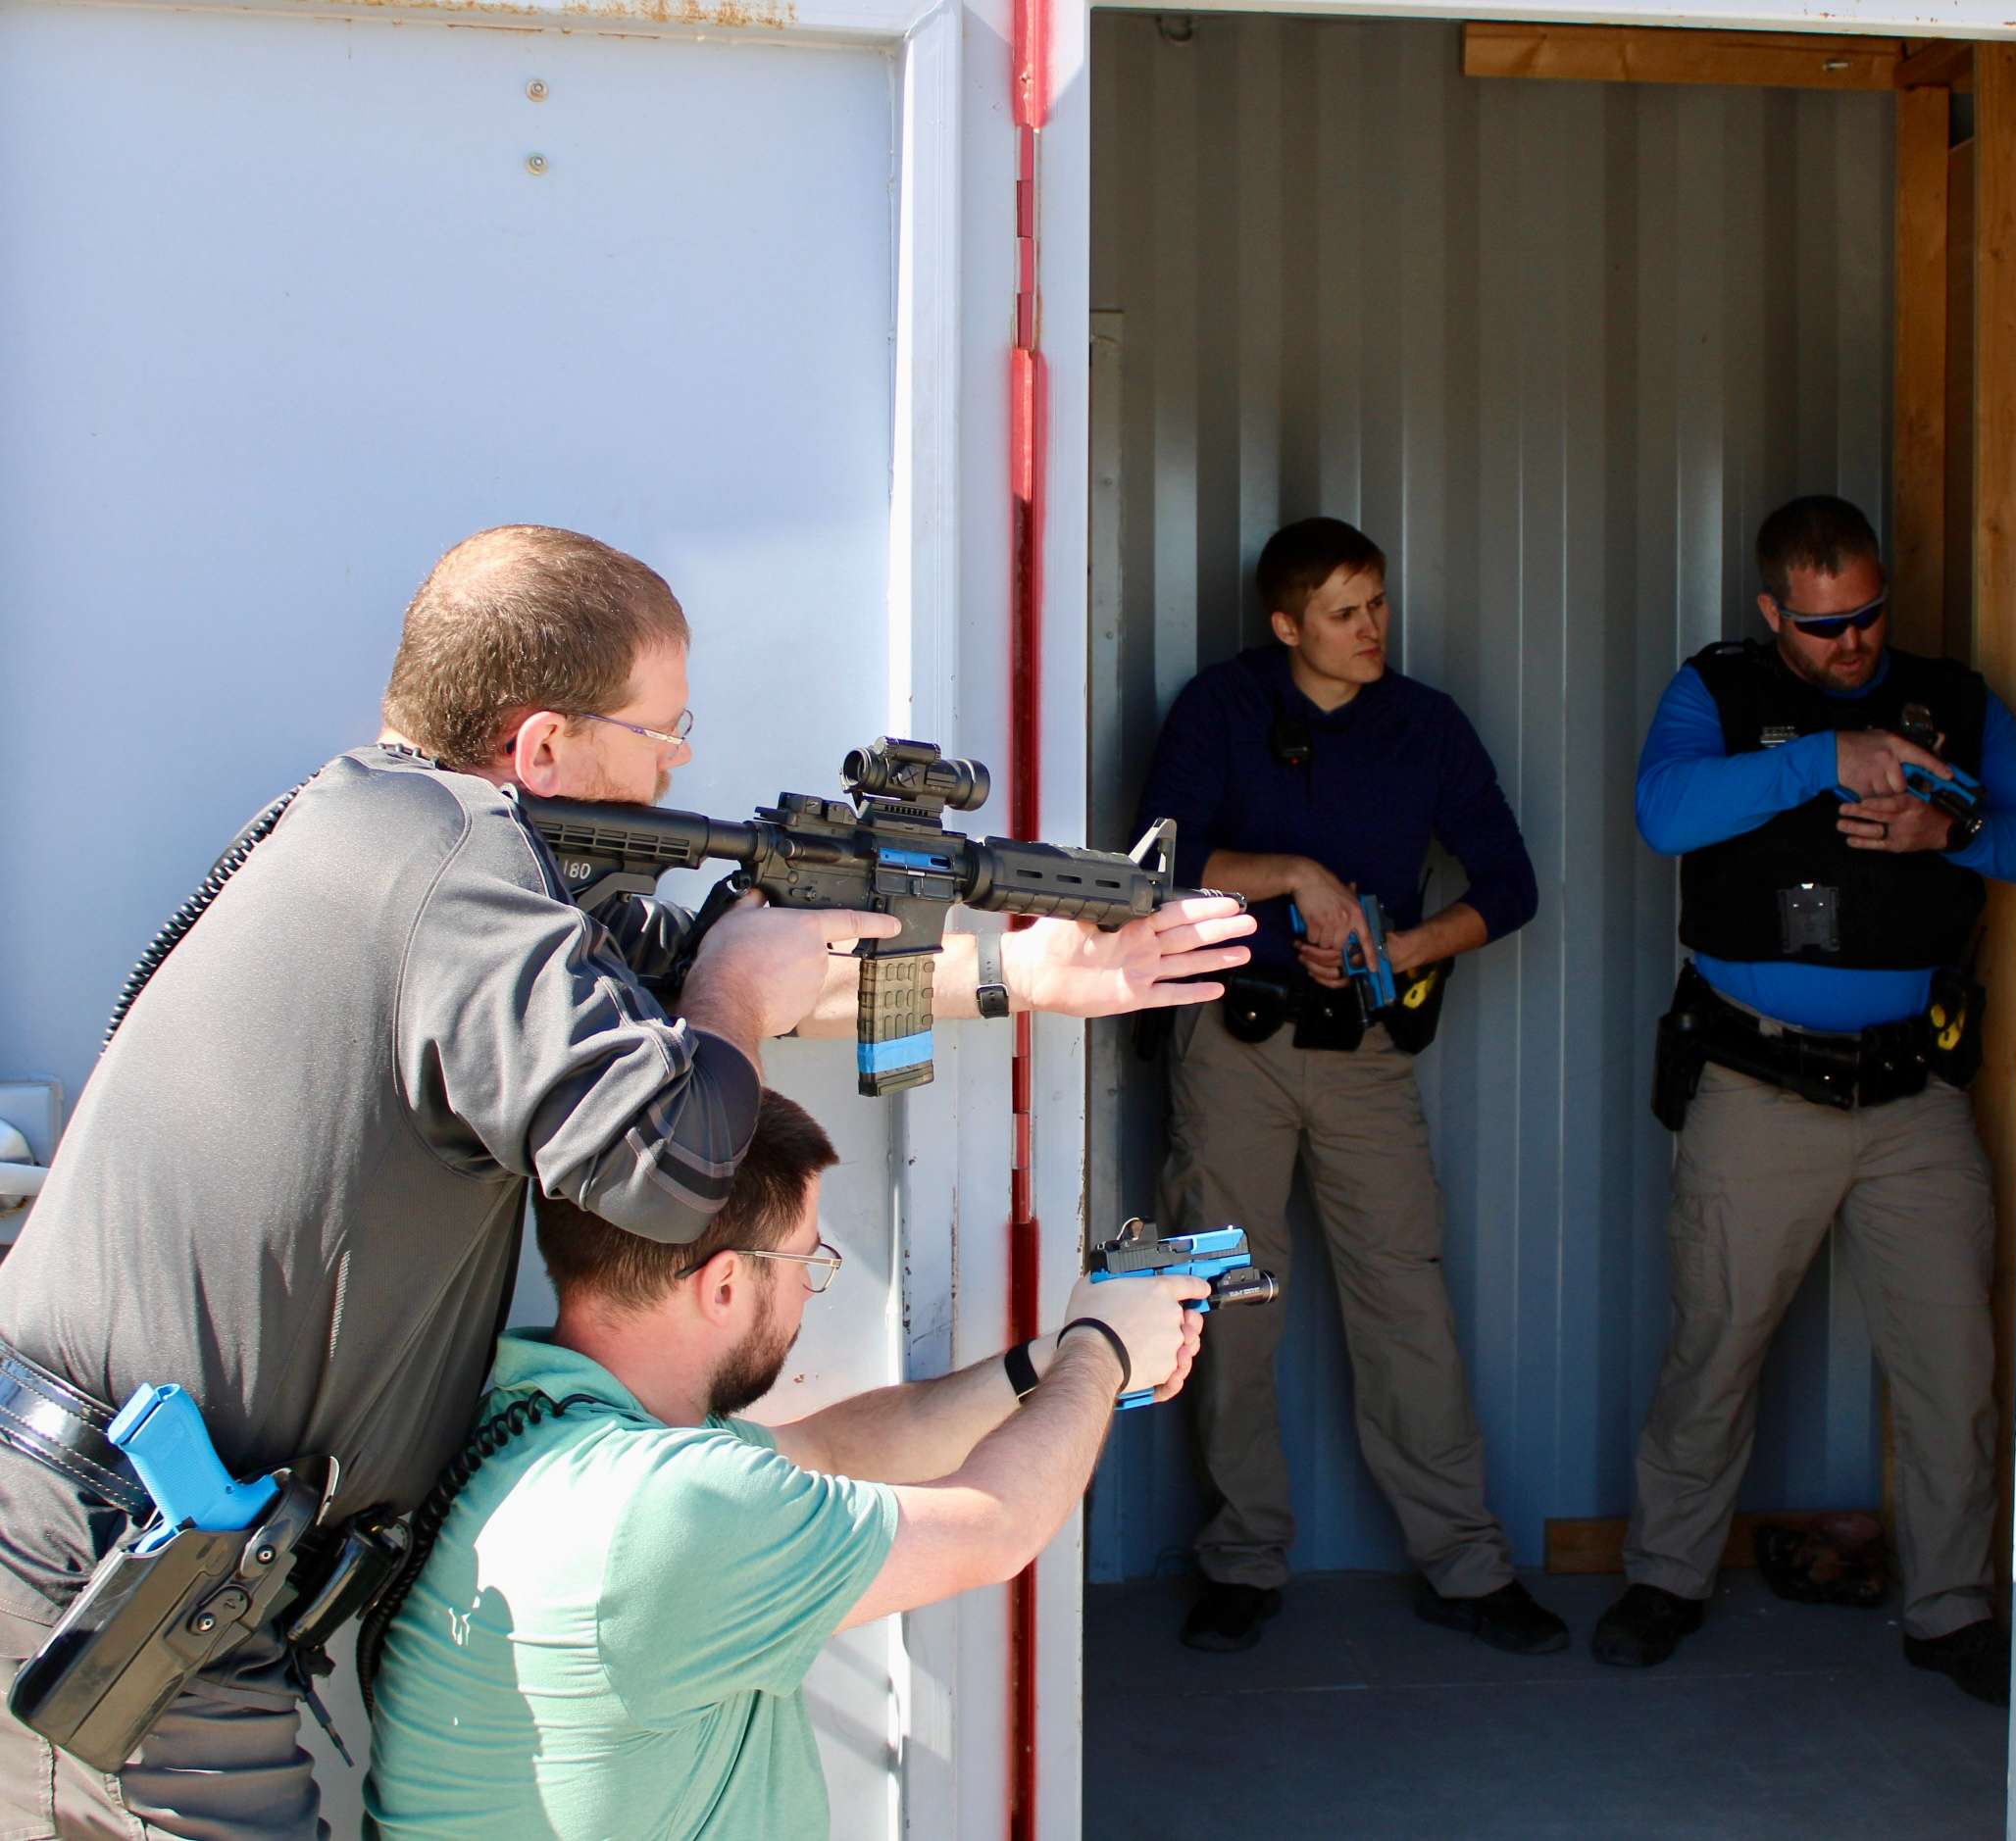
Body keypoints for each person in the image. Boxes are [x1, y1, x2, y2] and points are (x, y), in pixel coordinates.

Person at [0, 525, 1251, 1838]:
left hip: (136, 1552)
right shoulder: (456, 862)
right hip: (116, 1561)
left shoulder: (393, 832)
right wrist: (734, 993)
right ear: (542, 747)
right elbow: (670, 1155)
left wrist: (1026, 973)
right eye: (660, 727)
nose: (680, 762)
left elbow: (676, 989)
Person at [362, 1086, 1204, 1838]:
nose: (809, 1288)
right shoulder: (666, 1511)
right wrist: (1103, 1353)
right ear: (725, 1285)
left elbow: (833, 1449)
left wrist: (1049, 1360)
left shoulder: (546, 1422)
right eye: (805, 1262)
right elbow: (998, 1526)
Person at [1594, 494, 2016, 1705]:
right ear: (1771, 610)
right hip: (1754, 1083)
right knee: (1714, 1348)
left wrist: (1949, 833)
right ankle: (1666, 1578)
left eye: (1869, 618)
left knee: (1952, 1364)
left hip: (1911, 1092)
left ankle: (1949, 1609)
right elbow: (1662, 813)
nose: (1854, 647)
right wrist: (1819, 759)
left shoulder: (1946, 692)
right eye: (1827, 627)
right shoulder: (1719, 691)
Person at [1137, 516, 1560, 1657]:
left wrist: (1403, 949)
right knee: (1228, 1303)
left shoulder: (1425, 725)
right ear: (1286, 626)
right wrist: (1297, 879)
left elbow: (1510, 885)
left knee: (1406, 1306)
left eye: (1377, 604)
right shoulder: (1221, 708)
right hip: (1232, 1043)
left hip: (1365, 1052)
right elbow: (1157, 861)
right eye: (1343, 613)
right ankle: (1238, 1559)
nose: (1371, 629)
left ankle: (1466, 1566)